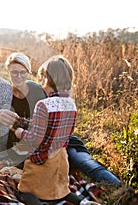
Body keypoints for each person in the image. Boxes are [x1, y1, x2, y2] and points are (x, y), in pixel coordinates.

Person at [6, 52, 121, 185]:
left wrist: (20, 131)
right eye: (14, 72)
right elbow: (43, 124)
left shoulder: (39, 92)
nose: (18, 76)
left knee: (85, 162)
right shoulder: (5, 95)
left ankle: (121, 188)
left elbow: (40, 132)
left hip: (60, 143)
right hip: (53, 147)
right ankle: (119, 187)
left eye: (23, 72)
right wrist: (21, 123)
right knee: (79, 163)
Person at [12, 55, 100, 205]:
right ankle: (84, 203)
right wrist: (24, 122)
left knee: (24, 192)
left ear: (47, 78)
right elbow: (53, 129)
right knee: (61, 192)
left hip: (42, 161)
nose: (40, 83)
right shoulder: (71, 104)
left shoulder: (43, 104)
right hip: (60, 160)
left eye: (41, 79)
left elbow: (34, 139)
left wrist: (19, 132)